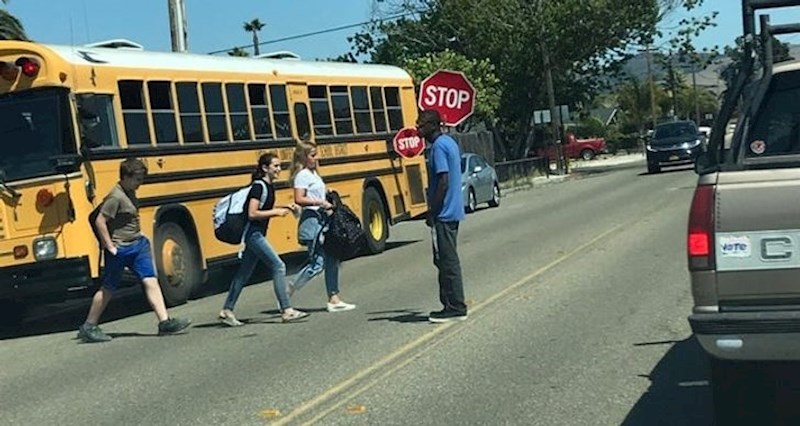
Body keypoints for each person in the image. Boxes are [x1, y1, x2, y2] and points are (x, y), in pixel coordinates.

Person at [77, 158, 191, 343]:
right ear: (126, 177)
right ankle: (89, 325)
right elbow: (100, 221)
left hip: (137, 246)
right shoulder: (116, 197)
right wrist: (110, 246)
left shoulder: (129, 192)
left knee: (150, 280)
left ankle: (164, 322)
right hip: (120, 249)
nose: (140, 183)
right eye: (138, 179)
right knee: (108, 288)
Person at [218, 153, 308, 326]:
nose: (278, 169)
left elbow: (261, 208)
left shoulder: (267, 187)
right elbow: (252, 213)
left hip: (256, 234)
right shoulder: (258, 187)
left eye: (279, 166)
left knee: (243, 273)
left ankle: (227, 310)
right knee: (279, 265)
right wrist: (276, 212)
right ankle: (286, 309)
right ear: (265, 168)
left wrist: (285, 207)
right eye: (275, 166)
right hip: (253, 234)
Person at [288, 139, 356, 313]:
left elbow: (314, 192)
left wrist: (327, 194)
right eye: (312, 155)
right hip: (312, 221)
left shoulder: (313, 174)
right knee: (318, 263)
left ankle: (334, 298)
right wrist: (320, 202)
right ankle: (288, 289)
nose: (316, 158)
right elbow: (299, 198)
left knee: (332, 258)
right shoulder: (302, 175)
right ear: (303, 157)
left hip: (323, 219)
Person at [416, 110, 468, 323]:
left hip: (444, 213)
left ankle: (455, 306)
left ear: (432, 125)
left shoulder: (438, 148)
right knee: (445, 259)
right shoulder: (449, 143)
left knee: (447, 261)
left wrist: (432, 211)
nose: (418, 128)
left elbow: (443, 181)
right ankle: (450, 303)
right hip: (453, 210)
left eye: (421, 124)